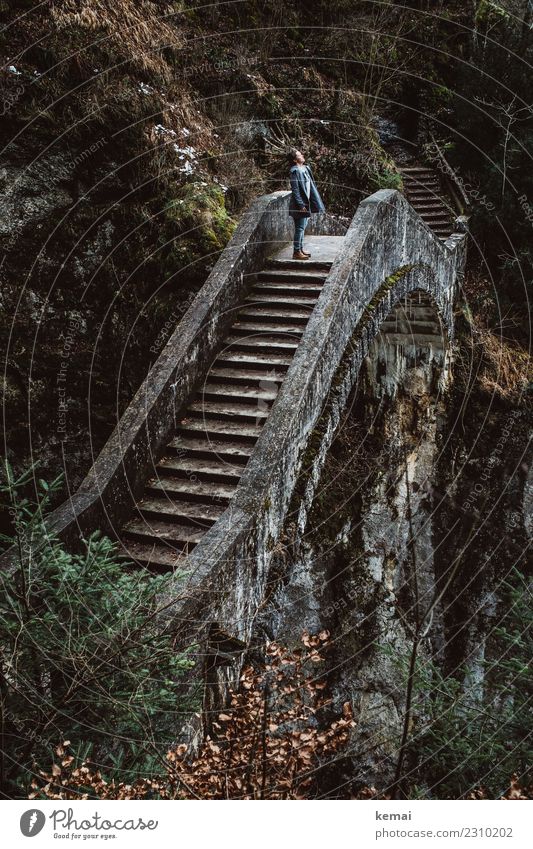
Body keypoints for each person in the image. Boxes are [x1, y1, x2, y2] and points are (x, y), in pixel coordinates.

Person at [288, 148, 326, 260]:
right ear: (295, 160)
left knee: (302, 228)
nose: (302, 155)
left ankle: (300, 249)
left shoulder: (305, 168)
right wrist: (301, 205)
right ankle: (296, 252)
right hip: (299, 205)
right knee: (299, 228)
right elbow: (295, 190)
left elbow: (311, 187)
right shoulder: (294, 171)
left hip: (306, 203)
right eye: (299, 155)